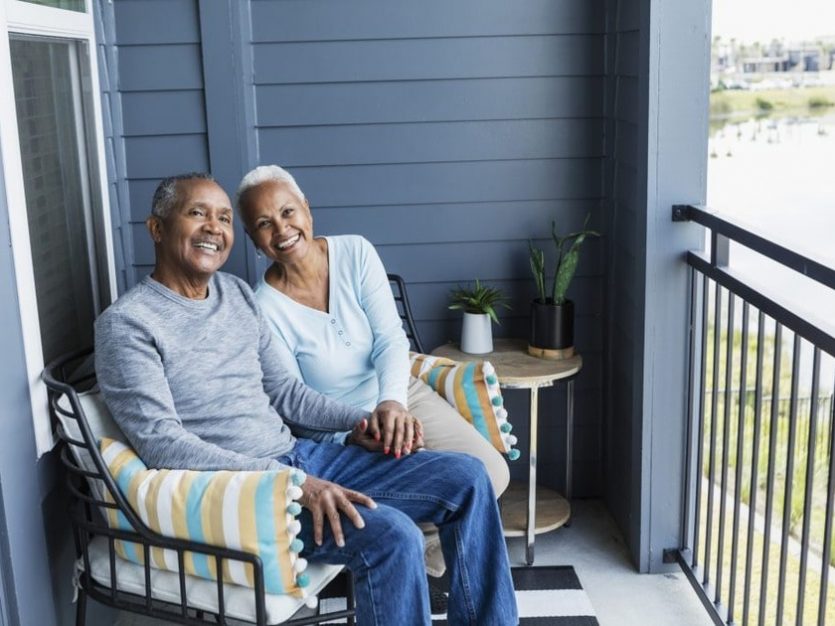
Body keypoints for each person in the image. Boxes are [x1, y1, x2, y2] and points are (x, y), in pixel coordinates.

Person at [94, 172, 518, 626]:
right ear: (157, 228)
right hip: (245, 490)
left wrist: (361, 424)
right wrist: (290, 482)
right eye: (196, 213)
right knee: (394, 536)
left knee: (468, 478)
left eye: (222, 217)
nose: (214, 228)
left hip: (300, 458)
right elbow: (163, 444)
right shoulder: (128, 325)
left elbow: (286, 394)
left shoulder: (234, 294)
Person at [235, 165, 511, 582]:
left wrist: (393, 401)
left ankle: (427, 544)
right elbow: (292, 400)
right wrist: (351, 432)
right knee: (411, 504)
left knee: (491, 474)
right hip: (341, 432)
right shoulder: (263, 308)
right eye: (264, 223)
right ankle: (412, 547)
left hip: (399, 393)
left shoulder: (355, 252)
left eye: (288, 212)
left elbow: (389, 339)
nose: (282, 229)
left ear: (307, 210)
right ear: (254, 239)